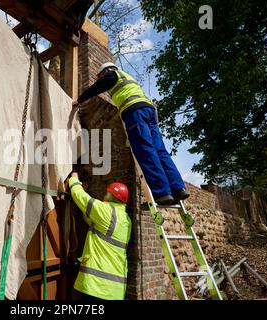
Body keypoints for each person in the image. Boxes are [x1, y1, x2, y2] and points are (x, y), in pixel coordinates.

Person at [73, 62, 189, 205]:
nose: (99, 78)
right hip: (149, 111)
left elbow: (95, 89)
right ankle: (178, 188)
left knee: (145, 150)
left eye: (99, 75)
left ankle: (162, 193)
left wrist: (78, 101)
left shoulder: (111, 75)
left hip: (135, 112)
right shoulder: (127, 77)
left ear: (105, 71)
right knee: (160, 151)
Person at [67, 172, 131, 300]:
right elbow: (95, 222)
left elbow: (79, 196)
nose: (104, 195)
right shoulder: (125, 219)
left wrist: (74, 179)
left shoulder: (106, 211)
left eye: (107, 193)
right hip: (116, 289)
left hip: (97, 286)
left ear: (110, 197)